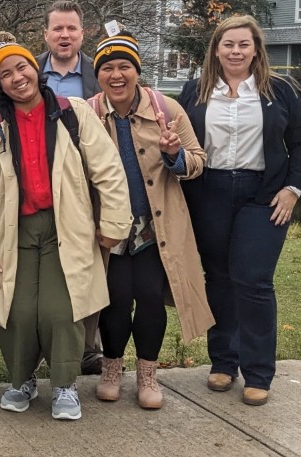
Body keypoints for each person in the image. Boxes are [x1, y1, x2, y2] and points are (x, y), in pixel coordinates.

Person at [0, 32, 130, 422]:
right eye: (6, 74)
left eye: (21, 67)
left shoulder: (74, 113)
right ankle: (22, 380)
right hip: (12, 231)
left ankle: (65, 384)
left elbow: (109, 172)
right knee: (15, 310)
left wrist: (115, 223)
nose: (17, 77)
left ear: (35, 69)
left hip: (64, 228)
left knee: (60, 310)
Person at [178, 15, 301, 406]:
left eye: (243, 44)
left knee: (253, 281)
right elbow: (181, 143)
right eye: (228, 44)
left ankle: (258, 372)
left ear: (256, 50)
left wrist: (293, 189)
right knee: (218, 277)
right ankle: (223, 361)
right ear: (216, 50)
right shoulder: (195, 91)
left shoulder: (278, 91)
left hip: (264, 194)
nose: (235, 51)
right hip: (210, 191)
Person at [86, 32, 214, 409]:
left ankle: (147, 376)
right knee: (114, 299)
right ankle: (111, 370)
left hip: (155, 226)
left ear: (137, 71)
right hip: (108, 226)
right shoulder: (88, 112)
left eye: (124, 66)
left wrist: (174, 155)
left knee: (149, 298)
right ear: (99, 74)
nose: (116, 75)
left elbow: (198, 161)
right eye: (107, 67)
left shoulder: (168, 110)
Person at [36, 0, 104, 375]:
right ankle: (44, 346)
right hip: (37, 183)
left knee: (86, 266)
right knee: (45, 268)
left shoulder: (101, 74)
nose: (64, 35)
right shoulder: (25, 71)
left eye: (71, 29)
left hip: (85, 185)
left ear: (82, 33)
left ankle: (88, 349)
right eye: (57, 29)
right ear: (46, 34)